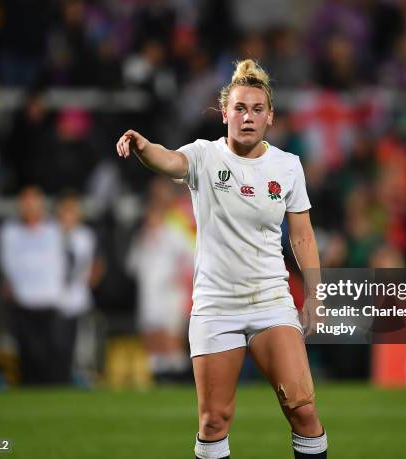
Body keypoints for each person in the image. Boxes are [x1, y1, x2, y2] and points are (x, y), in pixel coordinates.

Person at [116, 59, 327, 459]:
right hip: (216, 305)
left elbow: (302, 234)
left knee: (303, 408)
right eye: (240, 108)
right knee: (214, 420)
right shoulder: (203, 157)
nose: (248, 117)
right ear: (225, 112)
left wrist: (314, 293)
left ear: (270, 116)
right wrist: (144, 148)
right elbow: (167, 159)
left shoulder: (287, 166)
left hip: (270, 300)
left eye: (257, 109)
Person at [127, 178, 194, 382]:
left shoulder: (173, 234)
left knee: (171, 340)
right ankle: (158, 380)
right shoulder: (141, 238)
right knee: (152, 340)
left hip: (170, 297)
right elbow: (132, 267)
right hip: (148, 297)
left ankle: (178, 379)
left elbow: (191, 259)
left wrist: (179, 280)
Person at [0, 186, 65, 385]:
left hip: (49, 300)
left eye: (33, 203)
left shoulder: (53, 230)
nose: (30, 208)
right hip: (24, 300)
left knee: (50, 353)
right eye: (26, 203)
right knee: (28, 353)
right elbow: (7, 264)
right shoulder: (10, 232)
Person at [55, 191, 98, 384]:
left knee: (79, 345)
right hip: (55, 299)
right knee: (58, 344)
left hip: (78, 297)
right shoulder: (51, 233)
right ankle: (59, 376)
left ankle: (79, 377)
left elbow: (92, 264)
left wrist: (89, 280)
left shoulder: (85, 236)